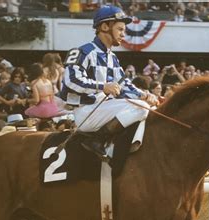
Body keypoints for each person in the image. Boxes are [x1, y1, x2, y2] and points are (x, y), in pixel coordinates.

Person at [59, 5, 157, 159]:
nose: (123, 34)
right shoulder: (83, 51)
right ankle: (97, 140)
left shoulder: (112, 57)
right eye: (120, 29)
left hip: (103, 109)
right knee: (141, 108)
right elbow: (71, 80)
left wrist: (145, 94)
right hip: (86, 111)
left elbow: (123, 85)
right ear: (105, 27)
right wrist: (103, 87)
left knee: (147, 105)